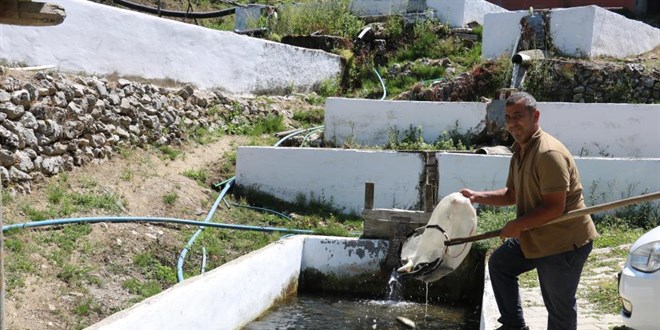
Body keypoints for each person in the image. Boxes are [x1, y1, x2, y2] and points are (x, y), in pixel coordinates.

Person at [460, 92, 598, 330]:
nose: (512, 122)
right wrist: (476, 196)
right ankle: (514, 325)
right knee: (501, 264)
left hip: (563, 242)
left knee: (559, 309)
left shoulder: (548, 154)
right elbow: (512, 195)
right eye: (508, 117)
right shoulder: (520, 151)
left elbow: (555, 207)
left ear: (535, 116)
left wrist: (518, 225)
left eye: (518, 116)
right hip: (536, 234)